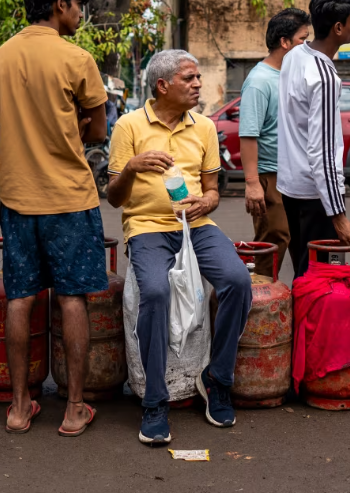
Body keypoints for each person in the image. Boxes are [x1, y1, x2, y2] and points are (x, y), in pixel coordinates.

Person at [0, 0, 108, 437]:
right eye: (77, 6)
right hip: (70, 198)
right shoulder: (76, 58)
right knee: (72, 299)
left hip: (17, 196)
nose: (79, 15)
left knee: (19, 298)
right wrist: (72, 122)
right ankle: (74, 408)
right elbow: (97, 130)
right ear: (61, 4)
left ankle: (19, 407)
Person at [107, 49, 252, 445]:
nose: (198, 84)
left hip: (197, 225)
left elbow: (212, 191)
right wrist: (133, 167)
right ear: (162, 85)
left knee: (238, 281)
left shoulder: (204, 126)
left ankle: (218, 379)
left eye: (197, 78)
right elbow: (114, 196)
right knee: (154, 292)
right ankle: (155, 401)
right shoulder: (129, 125)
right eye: (189, 78)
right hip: (148, 228)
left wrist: (206, 202)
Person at [277, 0, 350, 277]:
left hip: (290, 187)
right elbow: (323, 151)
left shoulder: (295, 55)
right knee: (320, 278)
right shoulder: (324, 77)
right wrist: (337, 215)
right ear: (338, 28)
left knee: (304, 273)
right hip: (315, 196)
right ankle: (309, 324)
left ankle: (299, 323)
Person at [241, 7, 310, 279]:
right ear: (285, 42)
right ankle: (261, 306)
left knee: (300, 245)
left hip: (295, 176)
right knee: (273, 242)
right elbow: (248, 134)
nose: (307, 45)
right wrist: (252, 183)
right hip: (269, 177)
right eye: (303, 39)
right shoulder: (259, 81)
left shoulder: (291, 74)